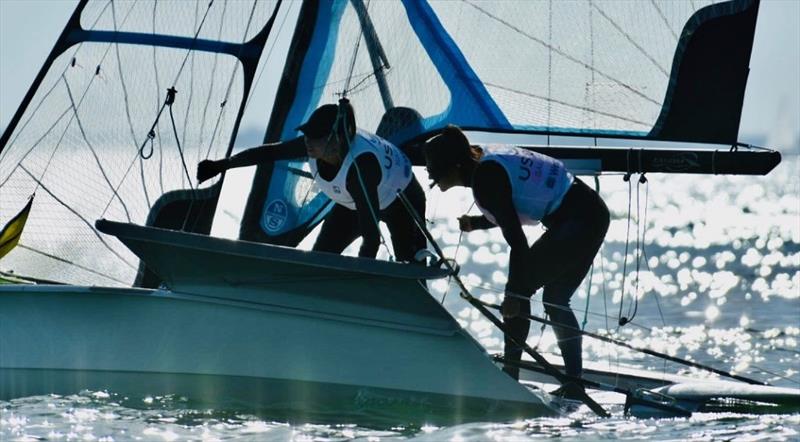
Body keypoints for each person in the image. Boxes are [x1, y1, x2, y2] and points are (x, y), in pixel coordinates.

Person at [423, 125, 609, 397]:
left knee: (521, 294)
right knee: (555, 298)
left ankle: (511, 379)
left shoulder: (485, 178)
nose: (432, 178)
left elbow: (518, 241)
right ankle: (574, 383)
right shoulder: (483, 164)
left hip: (579, 220)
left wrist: (513, 293)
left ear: (454, 166)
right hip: (589, 213)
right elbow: (507, 209)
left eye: (433, 172)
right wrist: (476, 223)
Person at [198, 100, 427, 262]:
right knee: (322, 258)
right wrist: (220, 165)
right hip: (354, 202)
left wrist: (361, 277)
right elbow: (266, 153)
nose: (308, 141)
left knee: (409, 264)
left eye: (316, 136)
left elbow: (371, 238)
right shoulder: (310, 146)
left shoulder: (360, 169)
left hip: (402, 201)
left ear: (337, 138)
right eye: (307, 134)